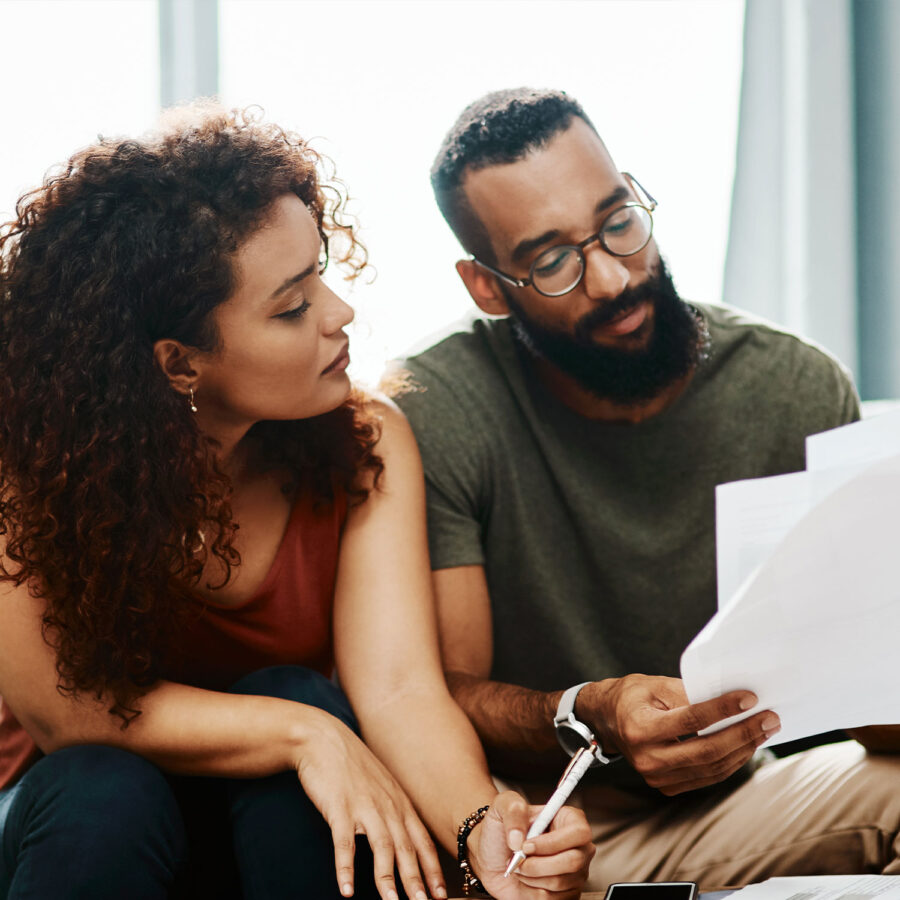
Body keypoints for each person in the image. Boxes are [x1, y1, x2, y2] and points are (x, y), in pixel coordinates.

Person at [0, 105, 595, 900]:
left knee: (304, 711)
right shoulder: (27, 466)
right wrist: (305, 734)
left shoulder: (366, 440)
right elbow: (67, 717)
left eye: (321, 276)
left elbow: (397, 688)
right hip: (76, 826)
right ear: (179, 365)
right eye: (291, 307)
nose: (339, 315)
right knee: (112, 784)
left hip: (266, 838)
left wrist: (483, 827)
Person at [396, 86, 900, 891]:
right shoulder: (439, 410)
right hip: (542, 826)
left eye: (620, 220)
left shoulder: (794, 389)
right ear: (487, 287)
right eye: (553, 261)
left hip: (744, 802)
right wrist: (595, 710)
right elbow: (448, 691)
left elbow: (863, 702)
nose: (611, 278)